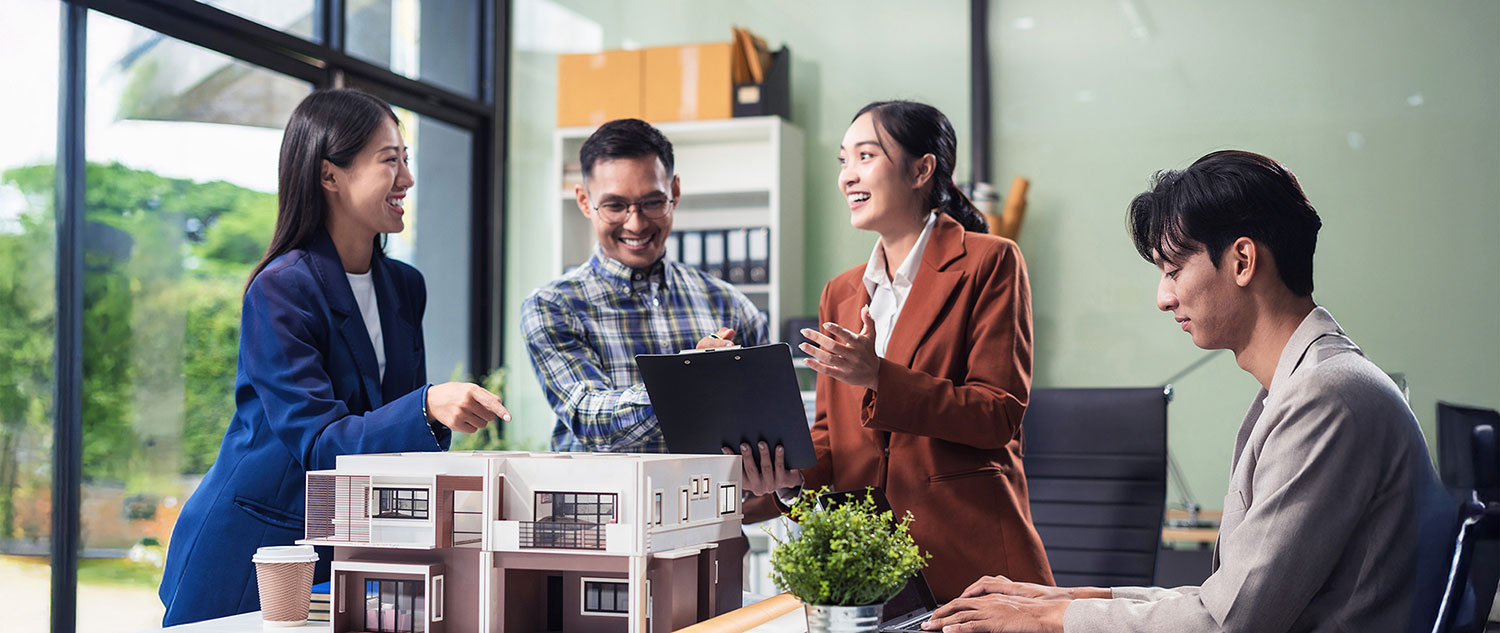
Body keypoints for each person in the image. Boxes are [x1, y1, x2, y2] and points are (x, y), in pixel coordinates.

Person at [923, 150, 1453, 633]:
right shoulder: (1310, 385)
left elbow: (1228, 624)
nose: (1163, 297)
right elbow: (1224, 601)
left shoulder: (1325, 397)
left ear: (1243, 261)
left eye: (1174, 270)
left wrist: (1054, 618)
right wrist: (1064, 598)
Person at [158, 89, 509, 626]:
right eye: (390, 160)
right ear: (330, 176)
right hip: (259, 548)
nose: (407, 180)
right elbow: (321, 444)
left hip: (347, 547)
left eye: (406, 160)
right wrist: (428, 405)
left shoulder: (403, 286)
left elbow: (392, 439)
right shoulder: (280, 289)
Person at [739, 100, 1054, 601]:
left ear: (921, 169)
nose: (847, 177)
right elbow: (830, 438)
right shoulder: (839, 293)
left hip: (971, 560)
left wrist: (879, 379)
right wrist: (791, 479)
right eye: (843, 161)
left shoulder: (990, 261)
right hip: (868, 571)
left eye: (866, 156)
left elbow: (998, 415)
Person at [521, 118, 768, 452]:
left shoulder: (731, 305)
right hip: (605, 505)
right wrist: (688, 380)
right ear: (583, 201)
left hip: (709, 504)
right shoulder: (553, 307)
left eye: (652, 202)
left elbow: (769, 425)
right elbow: (590, 420)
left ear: (674, 193)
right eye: (615, 206)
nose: (635, 223)